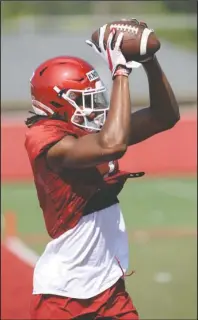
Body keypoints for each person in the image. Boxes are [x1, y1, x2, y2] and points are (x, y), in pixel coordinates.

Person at [25, 21, 180, 320]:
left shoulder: (89, 133)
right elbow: (113, 145)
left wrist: (148, 61)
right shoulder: (45, 138)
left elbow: (165, 116)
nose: (95, 108)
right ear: (57, 102)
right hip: (63, 298)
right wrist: (121, 71)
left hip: (110, 291)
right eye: (86, 100)